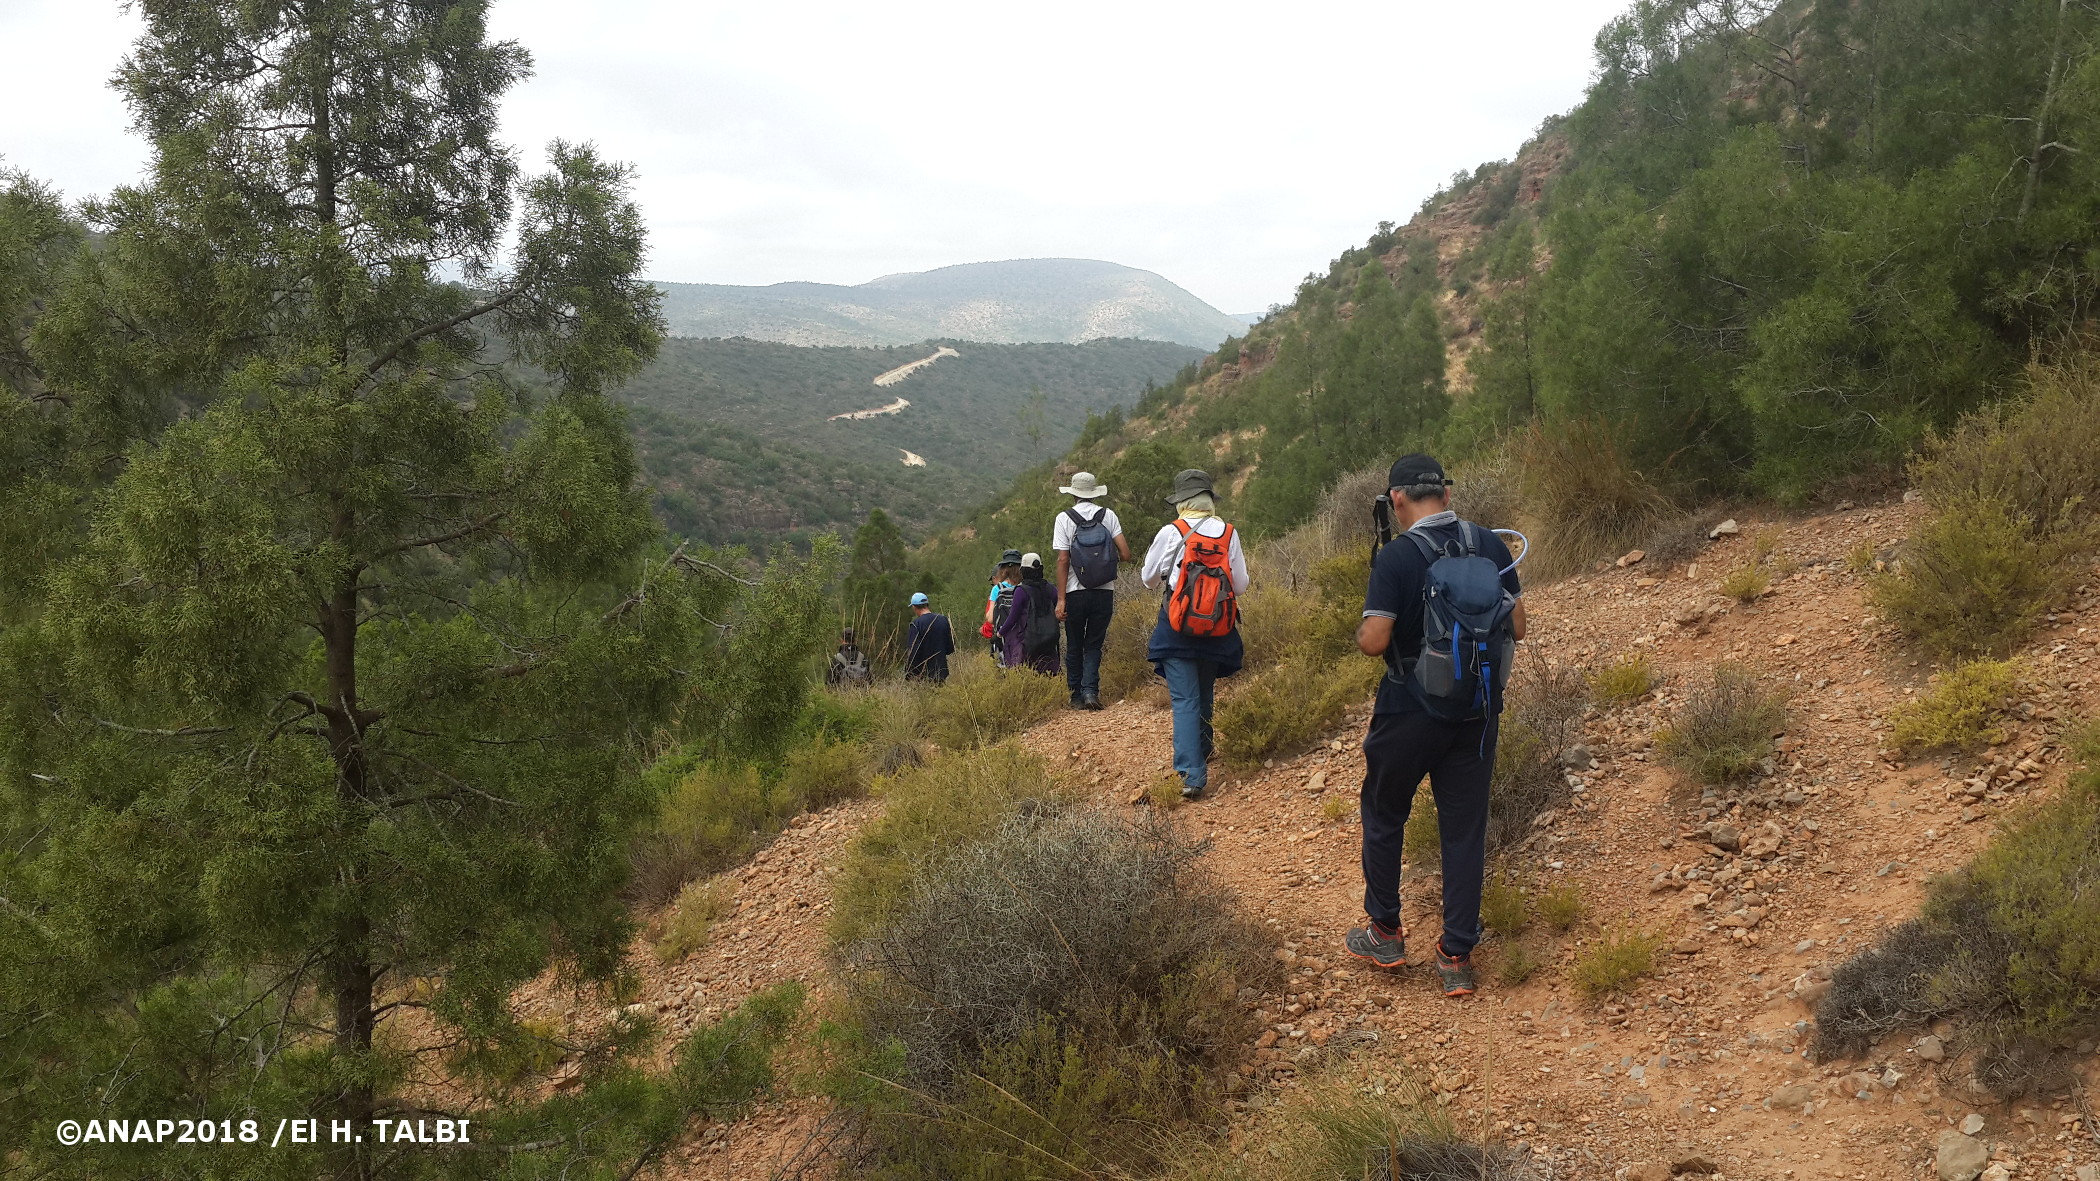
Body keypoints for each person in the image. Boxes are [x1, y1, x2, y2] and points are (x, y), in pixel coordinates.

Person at [1346, 453, 1528, 999]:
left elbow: (1376, 641)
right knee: (1464, 829)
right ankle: (1456, 956)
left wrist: (1362, 633)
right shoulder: (1489, 545)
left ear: (1396, 501)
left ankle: (1385, 932)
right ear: (1446, 496)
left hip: (1408, 710)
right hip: (1476, 711)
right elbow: (1518, 625)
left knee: (1384, 810)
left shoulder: (1399, 557)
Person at [1141, 469, 1249, 801]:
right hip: (1216, 626)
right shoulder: (1229, 533)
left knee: (1185, 699)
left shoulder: (1171, 532)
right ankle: (1203, 749)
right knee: (1203, 691)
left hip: (1178, 626)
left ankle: (1191, 775)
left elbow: (1147, 579)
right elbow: (1241, 585)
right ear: (1208, 500)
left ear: (1182, 502)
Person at [1052, 471, 1130, 710]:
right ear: (1094, 493)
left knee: (1074, 643)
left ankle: (1075, 696)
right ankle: (1091, 693)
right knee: (1094, 644)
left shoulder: (1064, 518)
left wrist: (1061, 599)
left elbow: (1063, 560)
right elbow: (1126, 554)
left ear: (1073, 493)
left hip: (1075, 592)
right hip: (1103, 591)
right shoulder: (1108, 516)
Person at [998, 553, 1062, 674]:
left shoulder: (1021, 591)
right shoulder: (1051, 589)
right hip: (1050, 639)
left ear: (1024, 571)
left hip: (1029, 641)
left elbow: (1013, 617)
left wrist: (1000, 633)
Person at [902, 592, 955, 682]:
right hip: (941, 672)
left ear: (914, 607)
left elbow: (913, 652)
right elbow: (950, 648)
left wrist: (909, 673)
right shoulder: (943, 620)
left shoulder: (916, 625)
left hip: (922, 676)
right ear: (927, 605)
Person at [981, 549, 1021, 664]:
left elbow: (990, 618)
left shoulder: (997, 588)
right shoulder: (1025, 586)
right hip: (1024, 637)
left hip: (1003, 637)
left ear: (1003, 569)